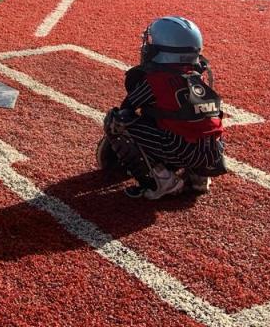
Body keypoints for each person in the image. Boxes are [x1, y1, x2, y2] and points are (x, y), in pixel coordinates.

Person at [96, 16, 226, 200]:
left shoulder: (157, 79)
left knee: (117, 121)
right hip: (213, 151)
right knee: (199, 124)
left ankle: (163, 182)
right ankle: (200, 176)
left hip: (181, 150)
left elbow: (128, 108)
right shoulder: (200, 75)